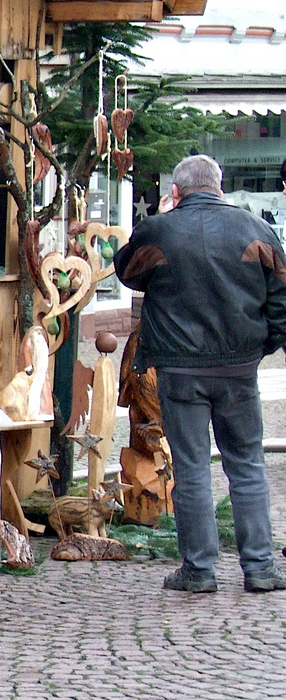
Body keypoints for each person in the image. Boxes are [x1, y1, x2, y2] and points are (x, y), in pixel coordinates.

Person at [115, 154, 286, 593]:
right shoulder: (256, 230)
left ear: (176, 191)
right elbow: (281, 299)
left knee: (191, 467)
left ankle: (199, 569)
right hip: (238, 365)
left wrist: (162, 220)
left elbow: (126, 271)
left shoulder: (159, 231)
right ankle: (260, 568)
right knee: (247, 463)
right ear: (221, 186)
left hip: (180, 368)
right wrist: (260, 347)